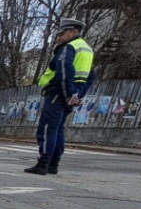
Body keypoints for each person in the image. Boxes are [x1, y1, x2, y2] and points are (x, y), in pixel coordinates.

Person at [25, 19, 95, 176]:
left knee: (48, 128)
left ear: (73, 32)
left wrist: (68, 94)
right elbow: (91, 76)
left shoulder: (69, 47)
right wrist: (78, 94)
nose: (59, 37)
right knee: (57, 129)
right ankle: (53, 164)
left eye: (62, 33)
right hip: (72, 91)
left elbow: (64, 72)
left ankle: (43, 164)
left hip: (59, 92)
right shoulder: (87, 50)